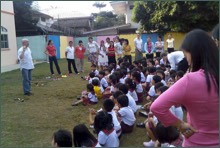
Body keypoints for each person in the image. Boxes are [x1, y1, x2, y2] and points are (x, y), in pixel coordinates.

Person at [151, 29, 219, 146]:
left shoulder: (190, 80)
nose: (187, 61)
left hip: (197, 142)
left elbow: (157, 107)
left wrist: (180, 125)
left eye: (185, 54)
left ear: (193, 53)